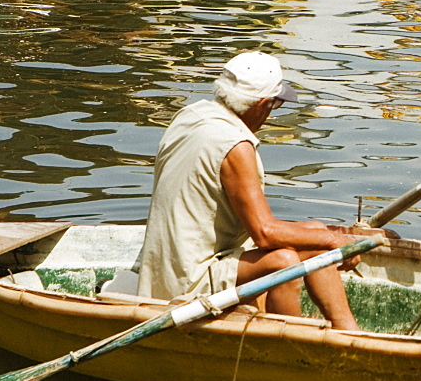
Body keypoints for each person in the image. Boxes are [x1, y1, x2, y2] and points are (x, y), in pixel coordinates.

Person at [137, 51, 362, 330]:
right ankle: (289, 341)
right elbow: (265, 233)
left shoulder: (191, 115)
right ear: (264, 104)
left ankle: (349, 332)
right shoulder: (235, 145)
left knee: (315, 237)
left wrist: (323, 237)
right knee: (284, 261)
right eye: (275, 105)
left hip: (165, 267)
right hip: (187, 281)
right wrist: (332, 240)